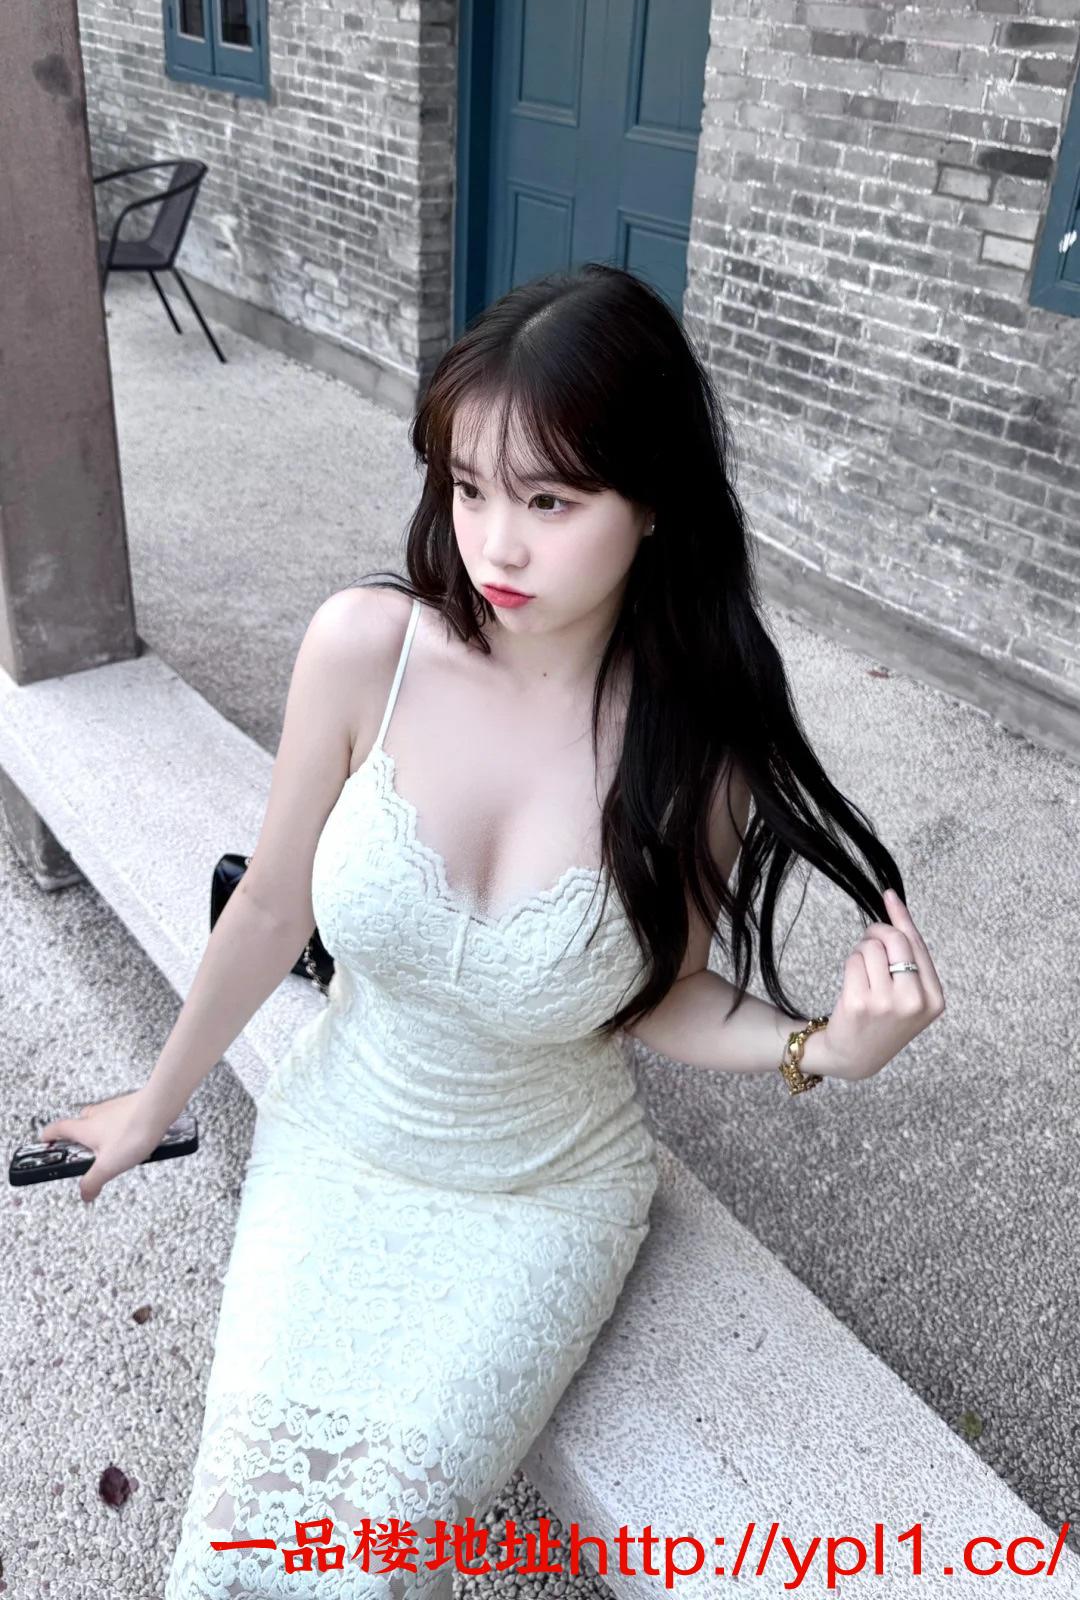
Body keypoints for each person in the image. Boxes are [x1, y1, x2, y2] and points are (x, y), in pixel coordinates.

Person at [38, 263, 944, 1598]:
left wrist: (823, 1048)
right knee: (230, 1549)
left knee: (367, 1565)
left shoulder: (697, 753)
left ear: (652, 503)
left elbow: (662, 992)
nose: (496, 547)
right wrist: (153, 1103)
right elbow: (274, 905)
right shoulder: (367, 649)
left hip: (539, 1201)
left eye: (548, 502)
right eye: (469, 489)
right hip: (338, 1145)